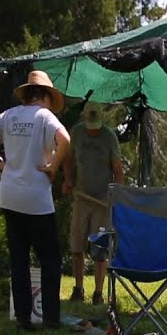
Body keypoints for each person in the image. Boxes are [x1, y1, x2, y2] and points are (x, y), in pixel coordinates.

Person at [0, 69, 72, 331]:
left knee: (19, 261)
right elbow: (65, 139)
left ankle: (23, 319)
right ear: (45, 96)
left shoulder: (9, 115)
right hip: (36, 198)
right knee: (49, 259)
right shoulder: (44, 116)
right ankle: (50, 318)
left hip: (10, 196)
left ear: (27, 94)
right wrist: (53, 166)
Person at [61, 107, 125, 305]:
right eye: (90, 127)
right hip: (82, 197)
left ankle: (98, 293)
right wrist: (68, 180)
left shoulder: (109, 137)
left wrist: (115, 197)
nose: (92, 131)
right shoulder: (77, 133)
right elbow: (68, 160)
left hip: (102, 200)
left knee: (99, 249)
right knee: (76, 246)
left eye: (95, 127)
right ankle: (78, 289)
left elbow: (118, 171)